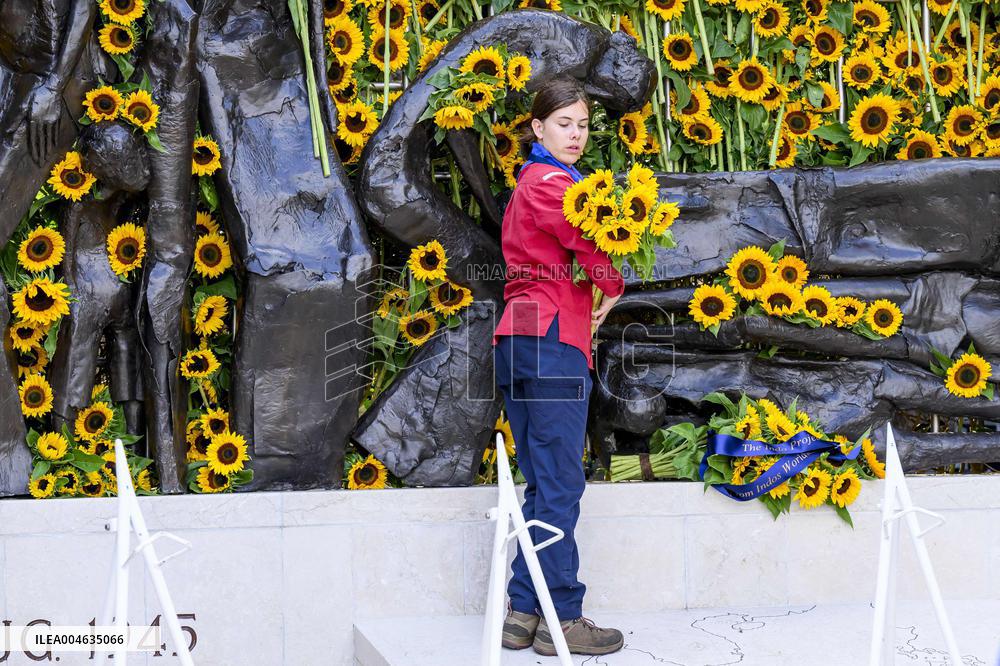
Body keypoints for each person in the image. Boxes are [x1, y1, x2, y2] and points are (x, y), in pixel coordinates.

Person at [491, 75, 626, 656]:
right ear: (537, 128)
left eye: (583, 125)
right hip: (548, 343)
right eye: (564, 124)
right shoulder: (550, 181)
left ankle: (523, 612)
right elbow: (581, 235)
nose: (575, 134)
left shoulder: (540, 180)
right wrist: (611, 283)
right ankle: (561, 617)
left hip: (524, 337)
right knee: (563, 481)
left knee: (544, 481)